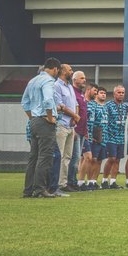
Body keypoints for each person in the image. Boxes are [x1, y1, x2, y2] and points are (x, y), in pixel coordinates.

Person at [22, 58, 61, 198]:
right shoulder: (49, 81)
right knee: (45, 157)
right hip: (45, 122)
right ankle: (40, 189)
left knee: (33, 157)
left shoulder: (32, 81)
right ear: (55, 69)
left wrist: (32, 117)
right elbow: (48, 100)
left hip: (34, 121)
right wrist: (50, 117)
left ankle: (28, 190)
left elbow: (25, 102)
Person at [53, 63, 79, 193]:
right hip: (61, 124)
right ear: (63, 71)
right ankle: (55, 184)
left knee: (67, 156)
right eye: (70, 70)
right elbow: (60, 105)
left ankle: (63, 183)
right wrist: (74, 115)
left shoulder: (69, 86)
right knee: (59, 155)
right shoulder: (57, 86)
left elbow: (75, 104)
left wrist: (75, 117)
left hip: (70, 125)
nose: (71, 71)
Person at [102, 85, 128, 189]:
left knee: (117, 159)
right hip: (110, 136)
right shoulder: (108, 105)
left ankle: (113, 181)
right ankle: (104, 180)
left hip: (121, 137)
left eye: (122, 93)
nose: (121, 94)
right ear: (114, 94)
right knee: (111, 158)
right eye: (119, 92)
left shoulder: (125, 106)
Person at [66, 71, 88, 192]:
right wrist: (73, 129)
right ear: (75, 80)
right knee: (74, 159)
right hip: (75, 130)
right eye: (82, 78)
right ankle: (70, 182)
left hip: (82, 130)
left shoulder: (81, 94)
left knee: (77, 158)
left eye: (84, 78)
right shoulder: (72, 93)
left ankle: (72, 182)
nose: (84, 80)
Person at [77, 83, 97, 191]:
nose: (96, 93)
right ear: (88, 90)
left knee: (85, 158)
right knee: (87, 157)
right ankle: (80, 182)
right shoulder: (83, 101)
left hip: (89, 135)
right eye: (95, 91)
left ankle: (81, 181)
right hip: (82, 133)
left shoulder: (93, 103)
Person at [89, 87, 109, 190]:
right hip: (95, 137)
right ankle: (88, 181)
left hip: (104, 137)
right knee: (93, 159)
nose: (103, 95)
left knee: (100, 160)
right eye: (101, 93)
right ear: (97, 94)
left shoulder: (106, 107)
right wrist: (91, 135)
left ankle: (94, 181)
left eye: (105, 93)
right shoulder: (94, 106)